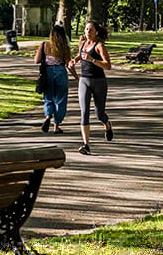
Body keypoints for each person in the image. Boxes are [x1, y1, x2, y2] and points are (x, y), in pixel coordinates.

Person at [70, 20, 114, 155]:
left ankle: (107, 125)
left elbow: (108, 65)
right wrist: (74, 61)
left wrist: (92, 60)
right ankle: (86, 144)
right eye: (86, 29)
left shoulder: (99, 46)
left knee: (99, 114)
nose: (88, 32)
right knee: (84, 113)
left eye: (91, 30)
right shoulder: (82, 43)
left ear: (96, 32)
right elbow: (80, 55)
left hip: (99, 82)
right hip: (84, 80)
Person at [35, 24, 74, 134]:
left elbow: (36, 60)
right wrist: (77, 77)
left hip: (48, 73)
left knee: (48, 97)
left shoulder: (44, 45)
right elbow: (68, 64)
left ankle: (47, 117)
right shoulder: (64, 48)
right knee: (60, 99)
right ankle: (56, 126)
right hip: (61, 72)